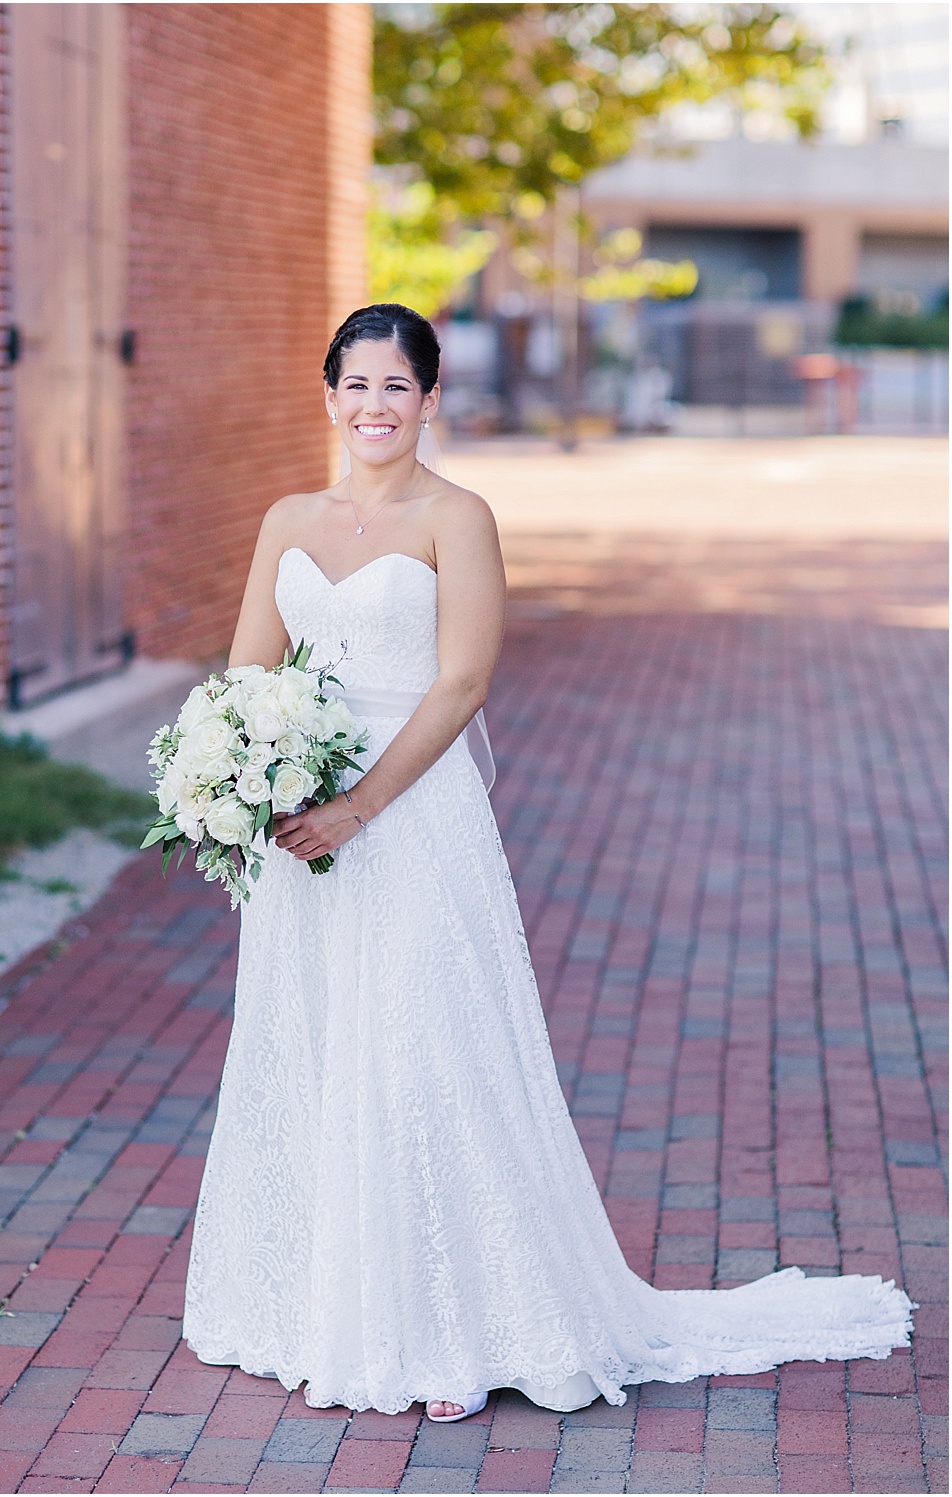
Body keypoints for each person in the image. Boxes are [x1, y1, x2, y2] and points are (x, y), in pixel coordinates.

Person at [183, 303, 913, 1424]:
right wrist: (249, 774)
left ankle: (460, 1318)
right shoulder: (287, 517)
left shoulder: (457, 517)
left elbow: (462, 682)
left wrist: (362, 808)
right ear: (326, 396)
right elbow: (246, 671)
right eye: (355, 385)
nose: (374, 407)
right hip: (299, 828)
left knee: (426, 1048)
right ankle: (321, 1303)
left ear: (430, 401)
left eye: (396, 387)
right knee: (321, 1039)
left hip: (409, 820)